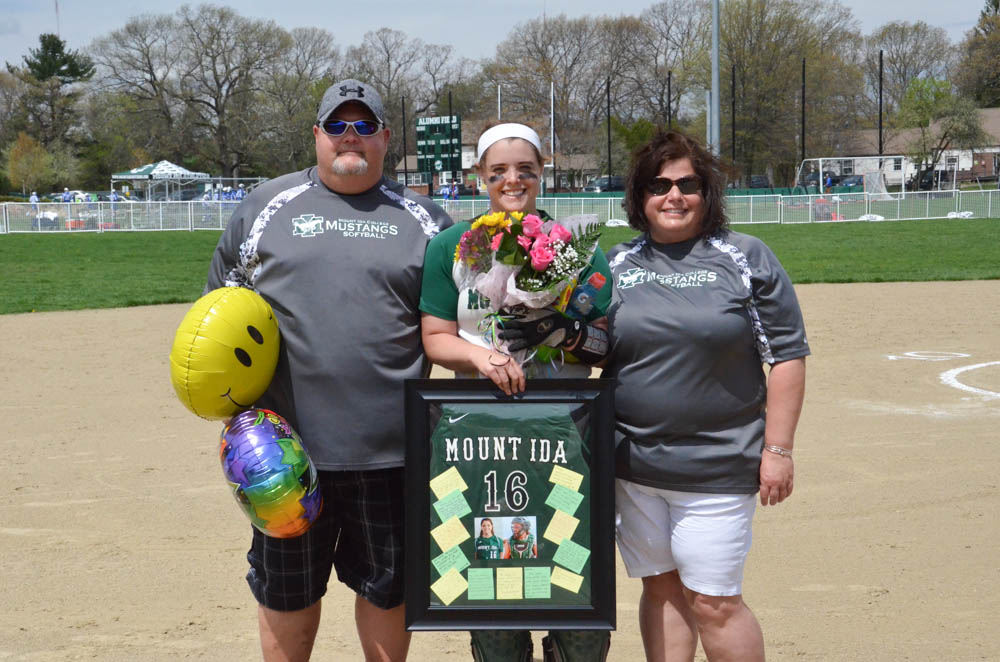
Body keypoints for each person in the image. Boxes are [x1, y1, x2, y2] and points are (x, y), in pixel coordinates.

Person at [204, 78, 452, 662]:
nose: (350, 136)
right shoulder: (264, 208)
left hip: (390, 449)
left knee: (388, 591)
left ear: (385, 138)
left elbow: (458, 323)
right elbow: (218, 319)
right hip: (287, 453)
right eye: (337, 125)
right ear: (315, 134)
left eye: (364, 126)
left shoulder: (426, 221)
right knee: (287, 594)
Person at [600, 130, 808, 662]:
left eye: (687, 184)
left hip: (717, 465)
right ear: (639, 198)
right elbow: (593, 350)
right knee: (661, 590)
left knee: (714, 603)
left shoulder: (744, 257)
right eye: (658, 185)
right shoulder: (616, 264)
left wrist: (777, 451)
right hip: (634, 467)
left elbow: (785, 356)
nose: (673, 196)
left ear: (707, 192)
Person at [419, 121, 612, 662]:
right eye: (499, 170)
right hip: (481, 439)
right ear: (480, 176)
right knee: (493, 581)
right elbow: (436, 339)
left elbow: (605, 345)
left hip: (567, 433)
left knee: (575, 580)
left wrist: (564, 333)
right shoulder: (452, 247)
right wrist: (485, 354)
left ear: (541, 174)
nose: (513, 179)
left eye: (525, 169)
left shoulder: (573, 247)